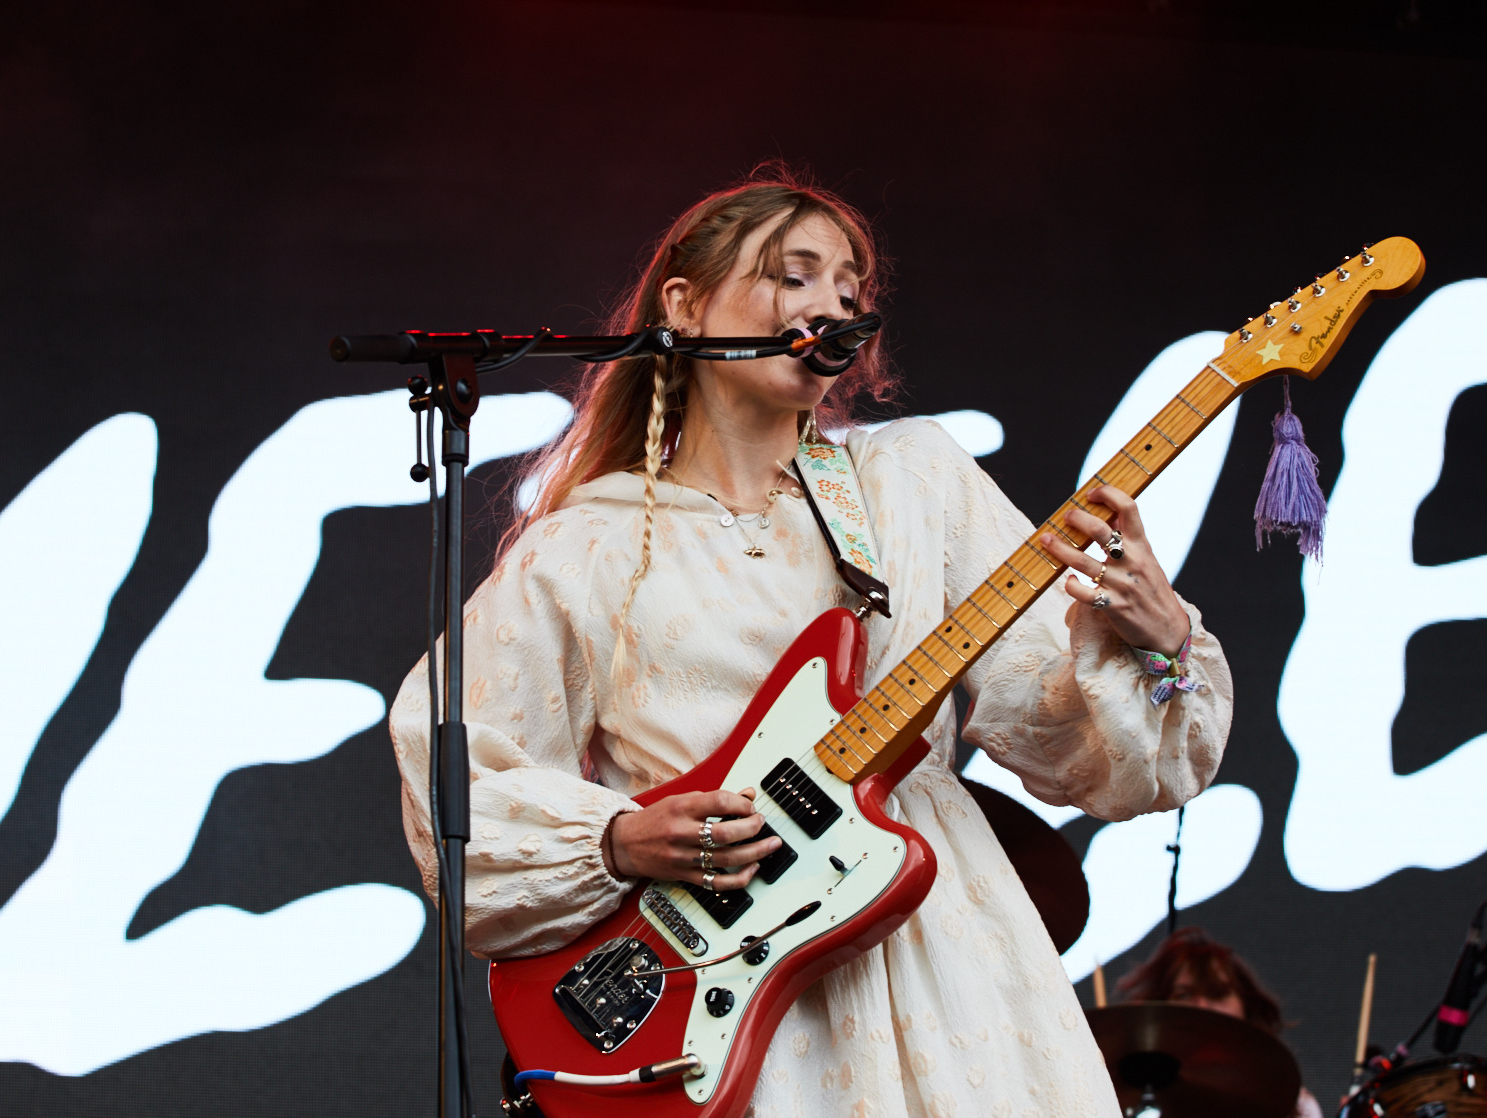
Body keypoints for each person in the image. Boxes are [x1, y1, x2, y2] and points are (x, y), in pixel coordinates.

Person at [389, 168, 1234, 1118]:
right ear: (684, 303)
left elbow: (1071, 744)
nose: (832, 302)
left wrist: (1159, 644)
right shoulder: (587, 544)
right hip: (724, 983)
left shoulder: (911, 480)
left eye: (849, 287)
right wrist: (619, 839)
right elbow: (456, 764)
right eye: (794, 276)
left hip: (939, 953)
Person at [1116, 926, 1323, 1118]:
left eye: (1217, 994)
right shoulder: (1129, 1102)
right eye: (1185, 996)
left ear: (1246, 1007)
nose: (1203, 1007)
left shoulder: (1297, 1104)